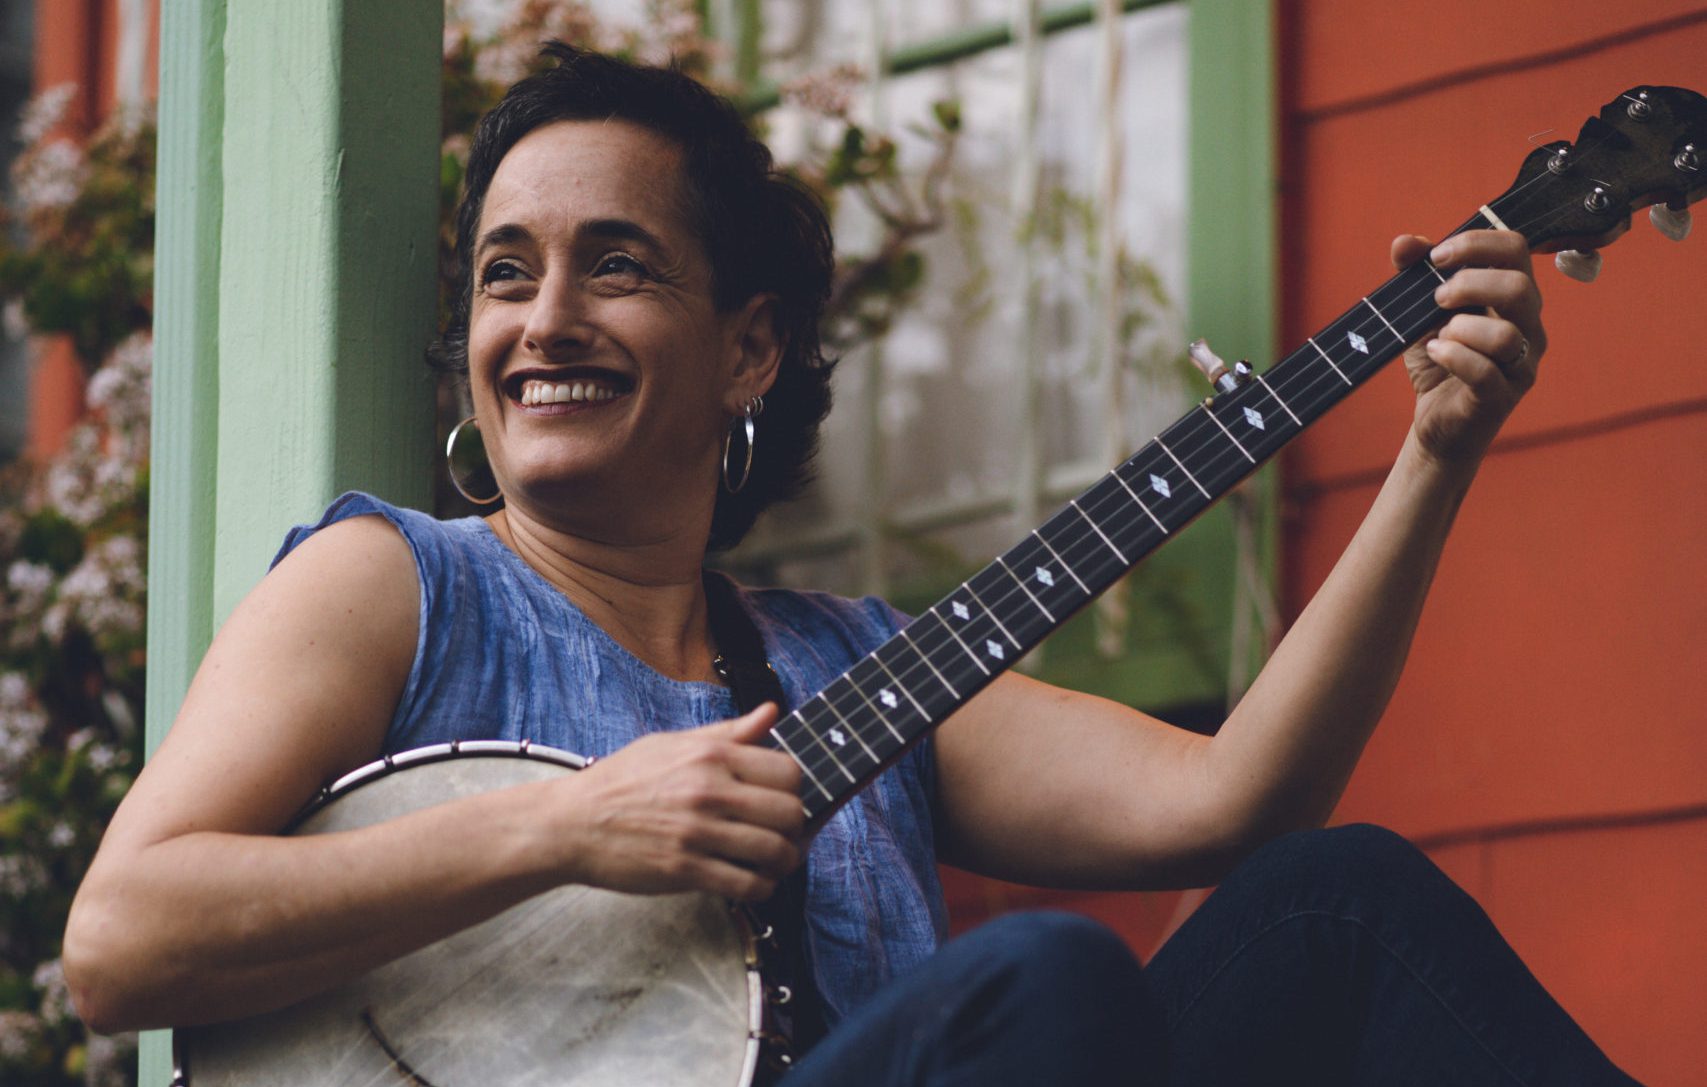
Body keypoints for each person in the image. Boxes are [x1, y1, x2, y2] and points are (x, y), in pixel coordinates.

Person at [62, 44, 1643, 1085]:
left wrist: (1433, 454)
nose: (543, 322)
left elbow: (1236, 802)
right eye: (504, 276)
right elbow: (123, 938)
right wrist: (574, 822)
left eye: (615, 266)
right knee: (1041, 988)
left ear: (748, 348)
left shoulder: (849, 670)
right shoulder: (398, 583)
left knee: (1333, 900)